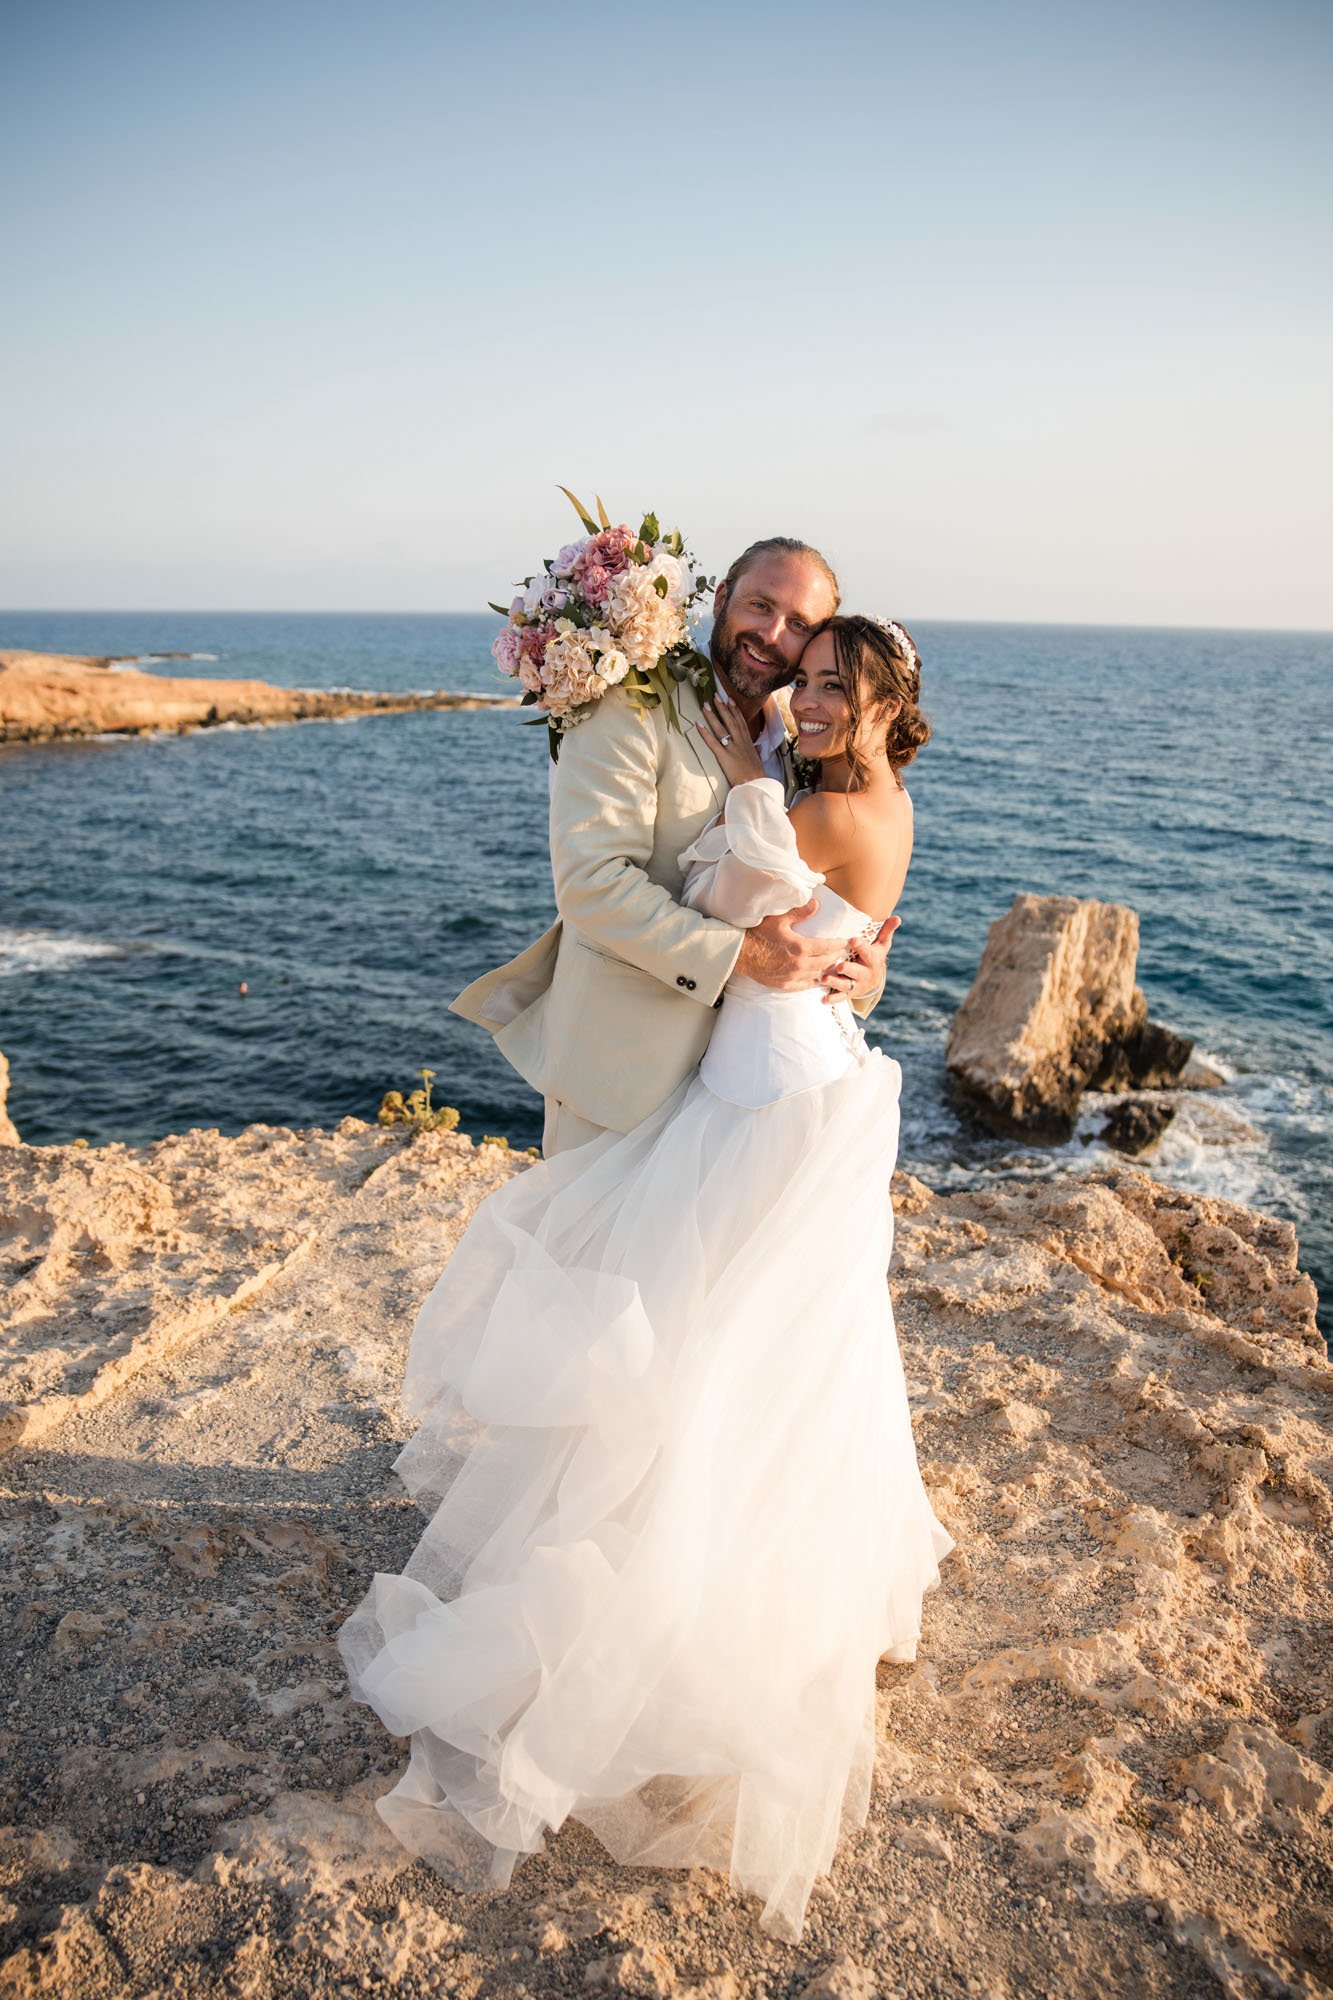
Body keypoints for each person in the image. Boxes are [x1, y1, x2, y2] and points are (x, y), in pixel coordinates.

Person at [339, 612, 955, 1941]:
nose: (808, 699)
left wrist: (743, 799)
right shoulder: (855, 795)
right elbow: (826, 925)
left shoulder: (814, 802)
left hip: (765, 1091)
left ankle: (682, 1593)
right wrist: (787, 862)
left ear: (887, 701)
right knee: (777, 1350)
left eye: (838, 686)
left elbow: (739, 910)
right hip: (797, 1072)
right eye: (805, 681)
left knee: (711, 1345)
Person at [450, 538, 897, 1157]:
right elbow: (592, 881)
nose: (771, 633)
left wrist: (856, 971)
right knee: (582, 1253)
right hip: (625, 1068)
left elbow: (821, 878)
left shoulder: (803, 731)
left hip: (742, 1083)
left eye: (799, 624)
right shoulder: (628, 704)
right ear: (720, 600)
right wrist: (740, 958)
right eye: (760, 605)